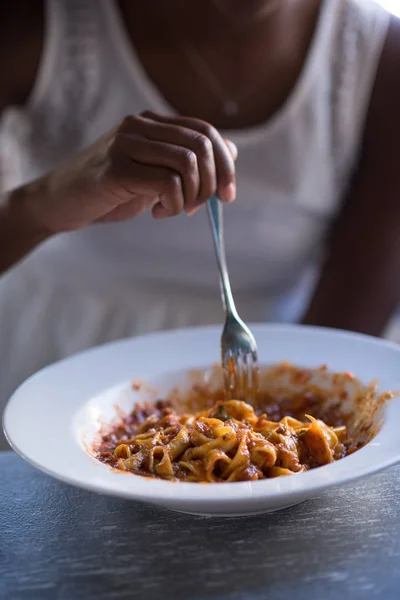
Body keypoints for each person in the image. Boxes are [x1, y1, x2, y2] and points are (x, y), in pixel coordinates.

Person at [1, 0, 400, 449]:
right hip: (45, 361)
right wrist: (43, 202)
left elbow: (347, 333)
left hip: (283, 358)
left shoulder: (382, 58)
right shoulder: (35, 21)